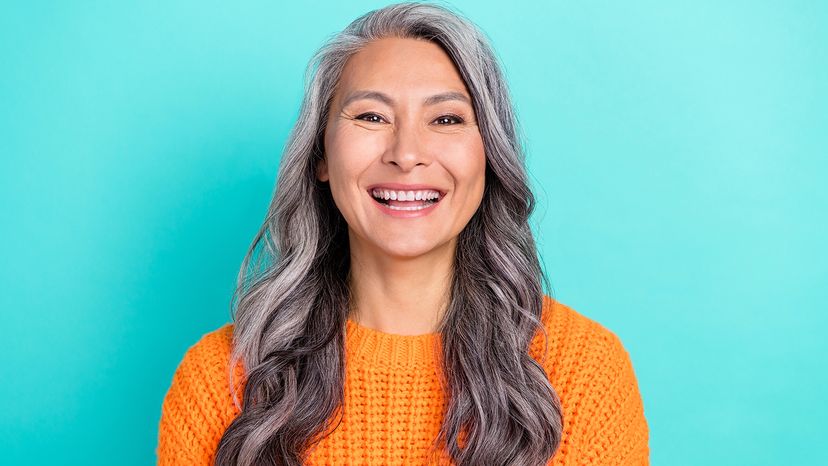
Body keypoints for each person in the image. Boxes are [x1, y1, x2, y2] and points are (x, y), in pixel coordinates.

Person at [157, 2, 649, 465]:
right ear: (321, 156)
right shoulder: (220, 383)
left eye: (447, 119)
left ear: (489, 156)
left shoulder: (584, 376)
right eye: (371, 116)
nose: (407, 153)